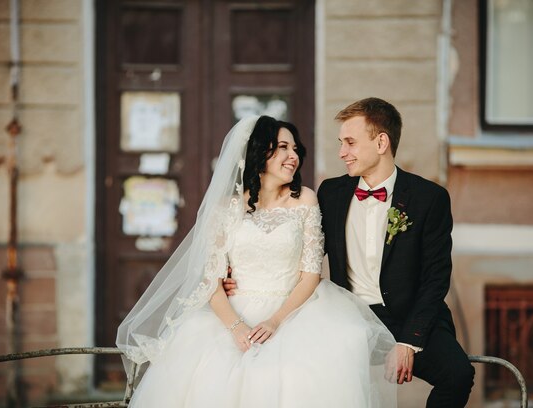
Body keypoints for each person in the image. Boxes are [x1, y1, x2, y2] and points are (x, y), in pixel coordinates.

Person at [117, 115, 397, 407]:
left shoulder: (305, 201)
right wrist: (237, 328)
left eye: (295, 149)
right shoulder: (226, 209)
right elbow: (211, 281)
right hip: (233, 313)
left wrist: (275, 321)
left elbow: (310, 274)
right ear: (260, 152)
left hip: (294, 312)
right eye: (283, 148)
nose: (293, 157)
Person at [319, 97, 475, 407]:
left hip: (410, 314)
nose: (341, 153)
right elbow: (301, 256)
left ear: (381, 142)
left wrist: (409, 341)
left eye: (350, 142)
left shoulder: (429, 198)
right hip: (350, 318)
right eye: (341, 143)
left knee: (458, 374)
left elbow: (436, 278)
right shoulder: (330, 193)